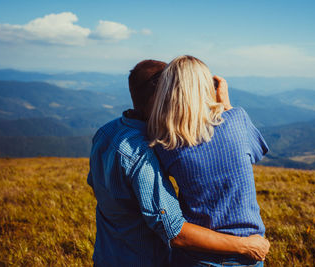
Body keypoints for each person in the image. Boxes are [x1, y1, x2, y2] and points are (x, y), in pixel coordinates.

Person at [87, 59, 270, 267]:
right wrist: (245, 246)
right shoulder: (147, 148)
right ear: (162, 94)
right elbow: (174, 230)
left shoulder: (106, 133)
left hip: (106, 254)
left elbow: (94, 183)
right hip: (145, 259)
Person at [148, 55, 270, 267]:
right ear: (207, 87)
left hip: (195, 253)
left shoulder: (164, 142)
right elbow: (257, 152)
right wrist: (226, 104)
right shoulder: (237, 119)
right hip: (248, 252)